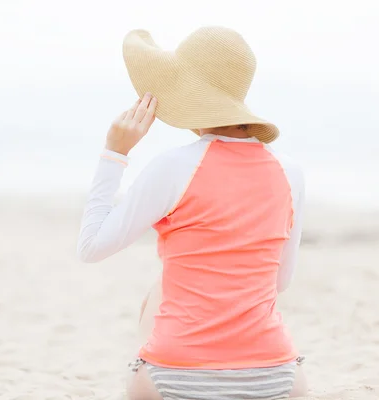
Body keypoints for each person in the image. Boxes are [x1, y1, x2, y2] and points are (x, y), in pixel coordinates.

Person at [77, 27, 308, 400]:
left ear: (186, 93)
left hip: (175, 374)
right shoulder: (290, 171)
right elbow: (279, 283)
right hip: (276, 378)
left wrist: (114, 153)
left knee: (160, 288)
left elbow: (91, 247)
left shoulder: (173, 166)